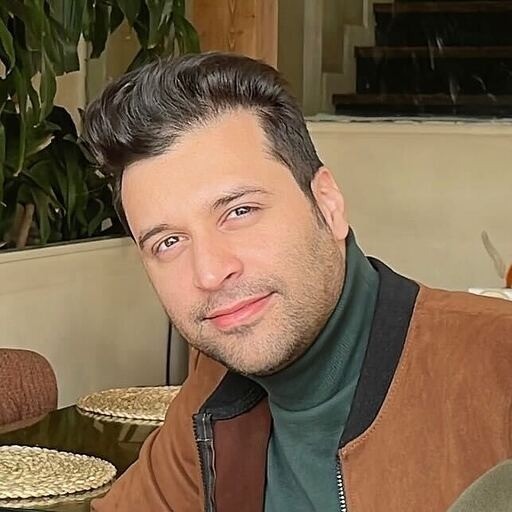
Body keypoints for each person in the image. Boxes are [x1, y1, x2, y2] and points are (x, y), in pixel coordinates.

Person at [82, 52, 512, 512]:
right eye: (168, 242)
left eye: (239, 211)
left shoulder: (497, 364)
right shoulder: (216, 387)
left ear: (327, 204)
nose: (208, 273)